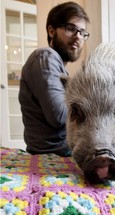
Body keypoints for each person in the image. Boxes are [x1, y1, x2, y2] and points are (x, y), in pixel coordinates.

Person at [18, 2, 90, 156]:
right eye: (71, 28)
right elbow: (59, 116)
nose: (78, 36)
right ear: (51, 31)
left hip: (62, 150)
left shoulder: (58, 66)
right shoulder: (45, 57)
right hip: (56, 153)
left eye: (82, 32)